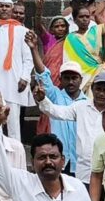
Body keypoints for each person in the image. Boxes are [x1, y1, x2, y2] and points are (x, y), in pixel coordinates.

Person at [35, 70, 105, 187]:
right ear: (92, 89)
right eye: (98, 89)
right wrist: (42, 100)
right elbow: (57, 112)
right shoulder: (81, 107)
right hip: (84, 172)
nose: (101, 93)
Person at [26, 30, 84, 173]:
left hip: (81, 161)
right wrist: (34, 49)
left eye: (74, 78)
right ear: (61, 80)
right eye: (66, 78)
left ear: (80, 80)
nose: (70, 81)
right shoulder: (55, 96)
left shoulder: (88, 102)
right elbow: (43, 76)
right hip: (59, 160)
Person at [0, 0, 33, 137]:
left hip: (14, 82)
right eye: (1, 6)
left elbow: (28, 59)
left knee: (13, 124)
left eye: (7, 6)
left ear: (12, 9)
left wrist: (25, 77)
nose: (4, 8)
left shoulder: (22, 31)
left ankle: (15, 156)